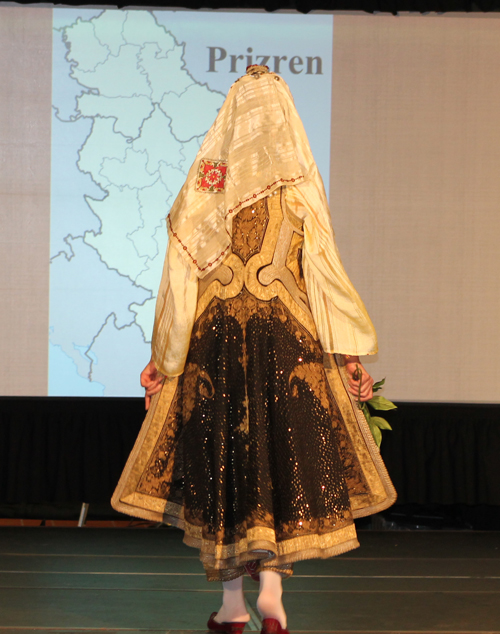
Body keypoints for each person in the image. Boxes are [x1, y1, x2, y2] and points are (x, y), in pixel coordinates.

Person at [112, 65, 396, 634]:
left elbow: (179, 276)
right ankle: (271, 596)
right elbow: (324, 277)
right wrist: (347, 355)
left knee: (227, 467)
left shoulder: (206, 184)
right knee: (278, 460)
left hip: (215, 344)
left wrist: (164, 360)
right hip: (287, 341)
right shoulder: (297, 186)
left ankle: (233, 606)